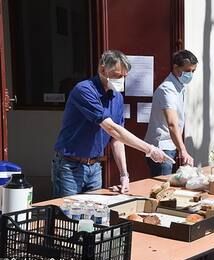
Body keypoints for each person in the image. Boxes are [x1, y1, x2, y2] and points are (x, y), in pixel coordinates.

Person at [52, 50, 170, 197]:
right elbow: (112, 128)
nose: (122, 80)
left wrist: (124, 175)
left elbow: (117, 139)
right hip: (70, 166)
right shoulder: (84, 90)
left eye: (124, 76)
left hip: (94, 166)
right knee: (67, 214)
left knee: (93, 216)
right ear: (102, 69)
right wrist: (149, 149)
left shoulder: (117, 97)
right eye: (118, 75)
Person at [144, 50, 198, 176]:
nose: (190, 74)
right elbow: (172, 124)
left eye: (193, 71)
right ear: (175, 67)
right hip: (161, 147)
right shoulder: (167, 89)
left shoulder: (179, 85)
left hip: (170, 145)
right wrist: (183, 150)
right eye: (187, 71)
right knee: (162, 189)